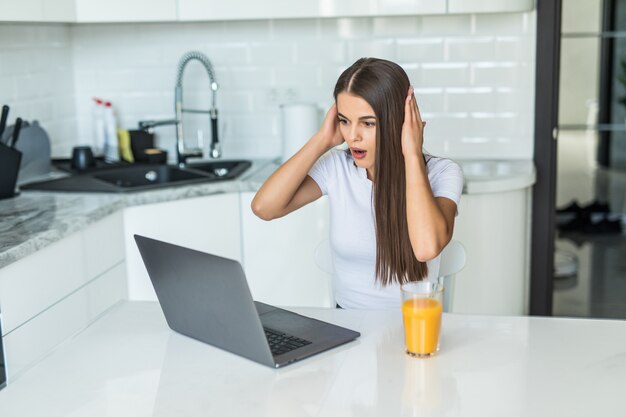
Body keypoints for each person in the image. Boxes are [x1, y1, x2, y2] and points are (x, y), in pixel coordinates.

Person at [251, 57, 464, 309]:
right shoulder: (337, 167)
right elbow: (264, 208)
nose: (352, 136)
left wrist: (412, 154)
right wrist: (321, 140)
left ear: (401, 122)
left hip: (413, 331)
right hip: (347, 329)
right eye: (344, 121)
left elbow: (426, 248)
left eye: (367, 123)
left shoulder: (442, 173)